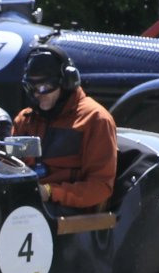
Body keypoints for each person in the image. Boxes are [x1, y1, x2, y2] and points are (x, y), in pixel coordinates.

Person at [12, 44, 118, 213]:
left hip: (69, 210)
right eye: (31, 87)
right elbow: (9, 168)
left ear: (67, 82)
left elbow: (100, 187)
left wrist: (50, 192)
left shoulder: (95, 119)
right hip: (28, 204)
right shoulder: (25, 119)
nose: (38, 94)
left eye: (44, 86)